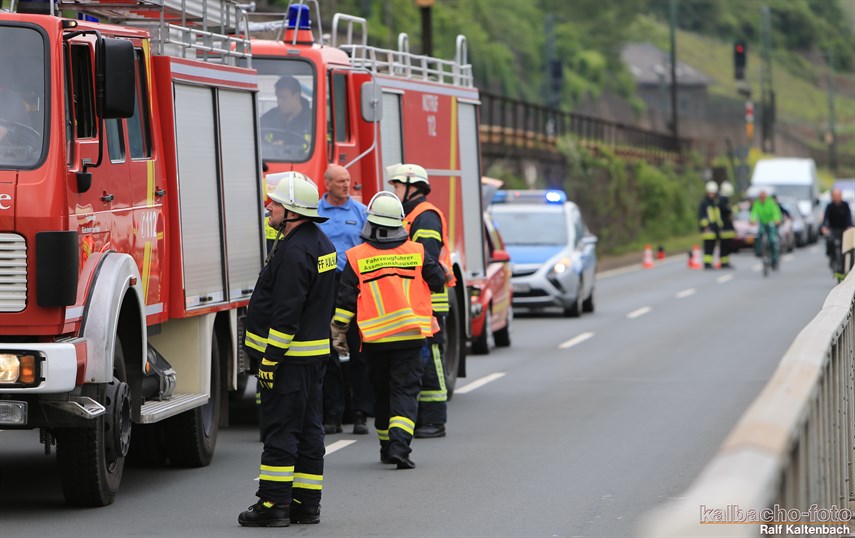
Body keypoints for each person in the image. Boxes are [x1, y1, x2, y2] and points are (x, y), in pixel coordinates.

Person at [239, 172, 336, 528]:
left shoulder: (295, 251)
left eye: (276, 204)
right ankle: (306, 504)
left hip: (289, 361)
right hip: (311, 359)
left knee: (281, 430)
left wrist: (269, 360)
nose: (269, 207)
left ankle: (273, 504)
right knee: (309, 430)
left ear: (292, 211)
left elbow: (286, 313)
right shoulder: (321, 243)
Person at [332, 191, 446, 469]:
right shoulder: (416, 252)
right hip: (409, 336)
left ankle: (386, 447)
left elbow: (345, 302)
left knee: (381, 393)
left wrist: (339, 332)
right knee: (404, 392)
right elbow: (438, 280)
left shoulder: (356, 257)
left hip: (375, 340)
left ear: (370, 222)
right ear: (400, 223)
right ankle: (399, 447)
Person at [388, 163, 456, 439]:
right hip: (417, 300)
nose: (393, 191)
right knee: (420, 360)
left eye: (396, 186)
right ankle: (421, 417)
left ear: (411, 187)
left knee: (431, 361)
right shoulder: (412, 214)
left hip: (429, 301)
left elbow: (424, 259)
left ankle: (434, 419)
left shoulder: (425, 216)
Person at [316, 164, 373, 435]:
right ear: (327, 184)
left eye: (348, 180)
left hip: (354, 287)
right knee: (328, 353)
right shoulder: (316, 212)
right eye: (340, 181)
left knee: (357, 350)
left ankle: (360, 414)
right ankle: (333, 415)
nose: (346, 185)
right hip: (326, 285)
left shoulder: (360, 212)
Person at [260, 75, 312, 150]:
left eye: (283, 98)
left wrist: (285, 145)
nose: (279, 102)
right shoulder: (270, 117)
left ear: (297, 96)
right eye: (278, 97)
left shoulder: (312, 120)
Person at [821, 188, 853, 277]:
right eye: (835, 196)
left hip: (844, 230)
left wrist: (849, 226)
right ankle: (830, 254)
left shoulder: (845, 205)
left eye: (839, 196)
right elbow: (826, 218)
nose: (837, 197)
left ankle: (847, 264)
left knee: (848, 246)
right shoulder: (829, 206)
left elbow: (849, 217)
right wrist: (824, 227)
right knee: (829, 240)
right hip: (833, 229)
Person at [750, 189, 783, 270]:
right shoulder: (757, 203)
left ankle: (774, 259)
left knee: (772, 240)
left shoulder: (771, 203)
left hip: (771, 222)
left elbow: (776, 212)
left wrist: (777, 219)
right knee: (760, 234)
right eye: (760, 197)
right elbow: (754, 212)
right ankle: (759, 251)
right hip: (763, 222)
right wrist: (753, 220)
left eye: (763, 197)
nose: (762, 198)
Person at [698, 180, 722, 270]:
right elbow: (702, 216)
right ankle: (707, 263)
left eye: (713, 193)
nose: (712, 195)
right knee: (707, 247)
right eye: (710, 193)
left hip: (714, 228)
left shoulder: (715, 203)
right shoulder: (704, 203)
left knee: (712, 246)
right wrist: (705, 226)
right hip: (707, 229)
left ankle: (710, 262)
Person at [718, 181, 735, 269]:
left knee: (727, 246)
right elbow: (726, 212)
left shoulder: (722, 200)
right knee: (724, 246)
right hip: (724, 228)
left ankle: (725, 262)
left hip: (726, 228)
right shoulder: (722, 201)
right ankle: (724, 262)